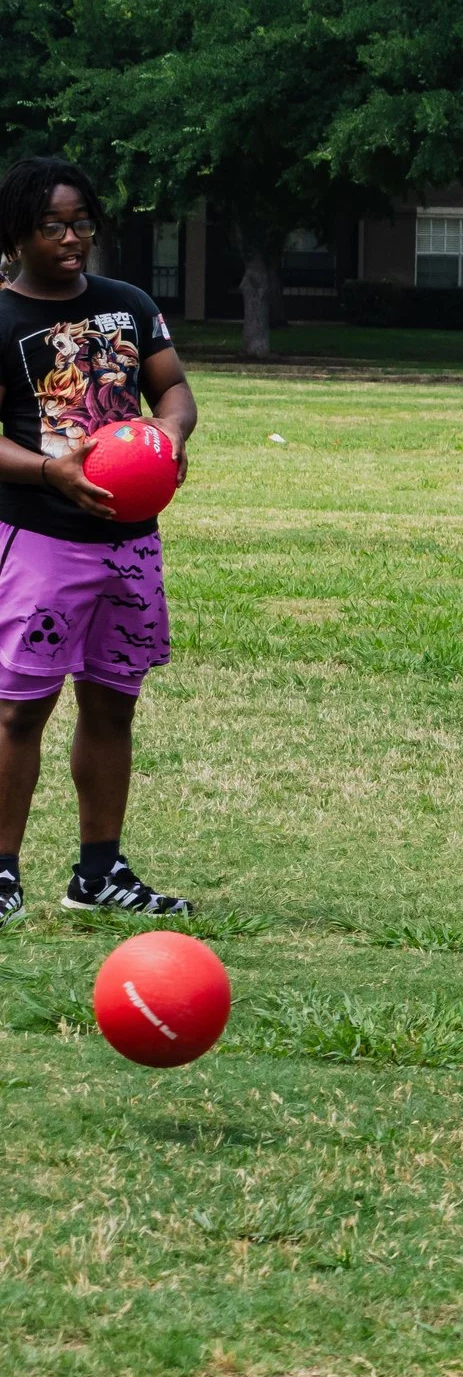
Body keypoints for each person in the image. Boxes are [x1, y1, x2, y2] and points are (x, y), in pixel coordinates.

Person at [0, 156, 198, 921]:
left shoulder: (128, 304)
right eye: (53, 225)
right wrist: (52, 474)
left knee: (113, 701)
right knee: (21, 706)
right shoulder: (5, 319)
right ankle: (3, 872)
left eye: (82, 221)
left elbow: (172, 387)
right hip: (42, 540)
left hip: (130, 543)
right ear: (17, 233)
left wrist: (170, 435)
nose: (72, 237)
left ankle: (98, 872)